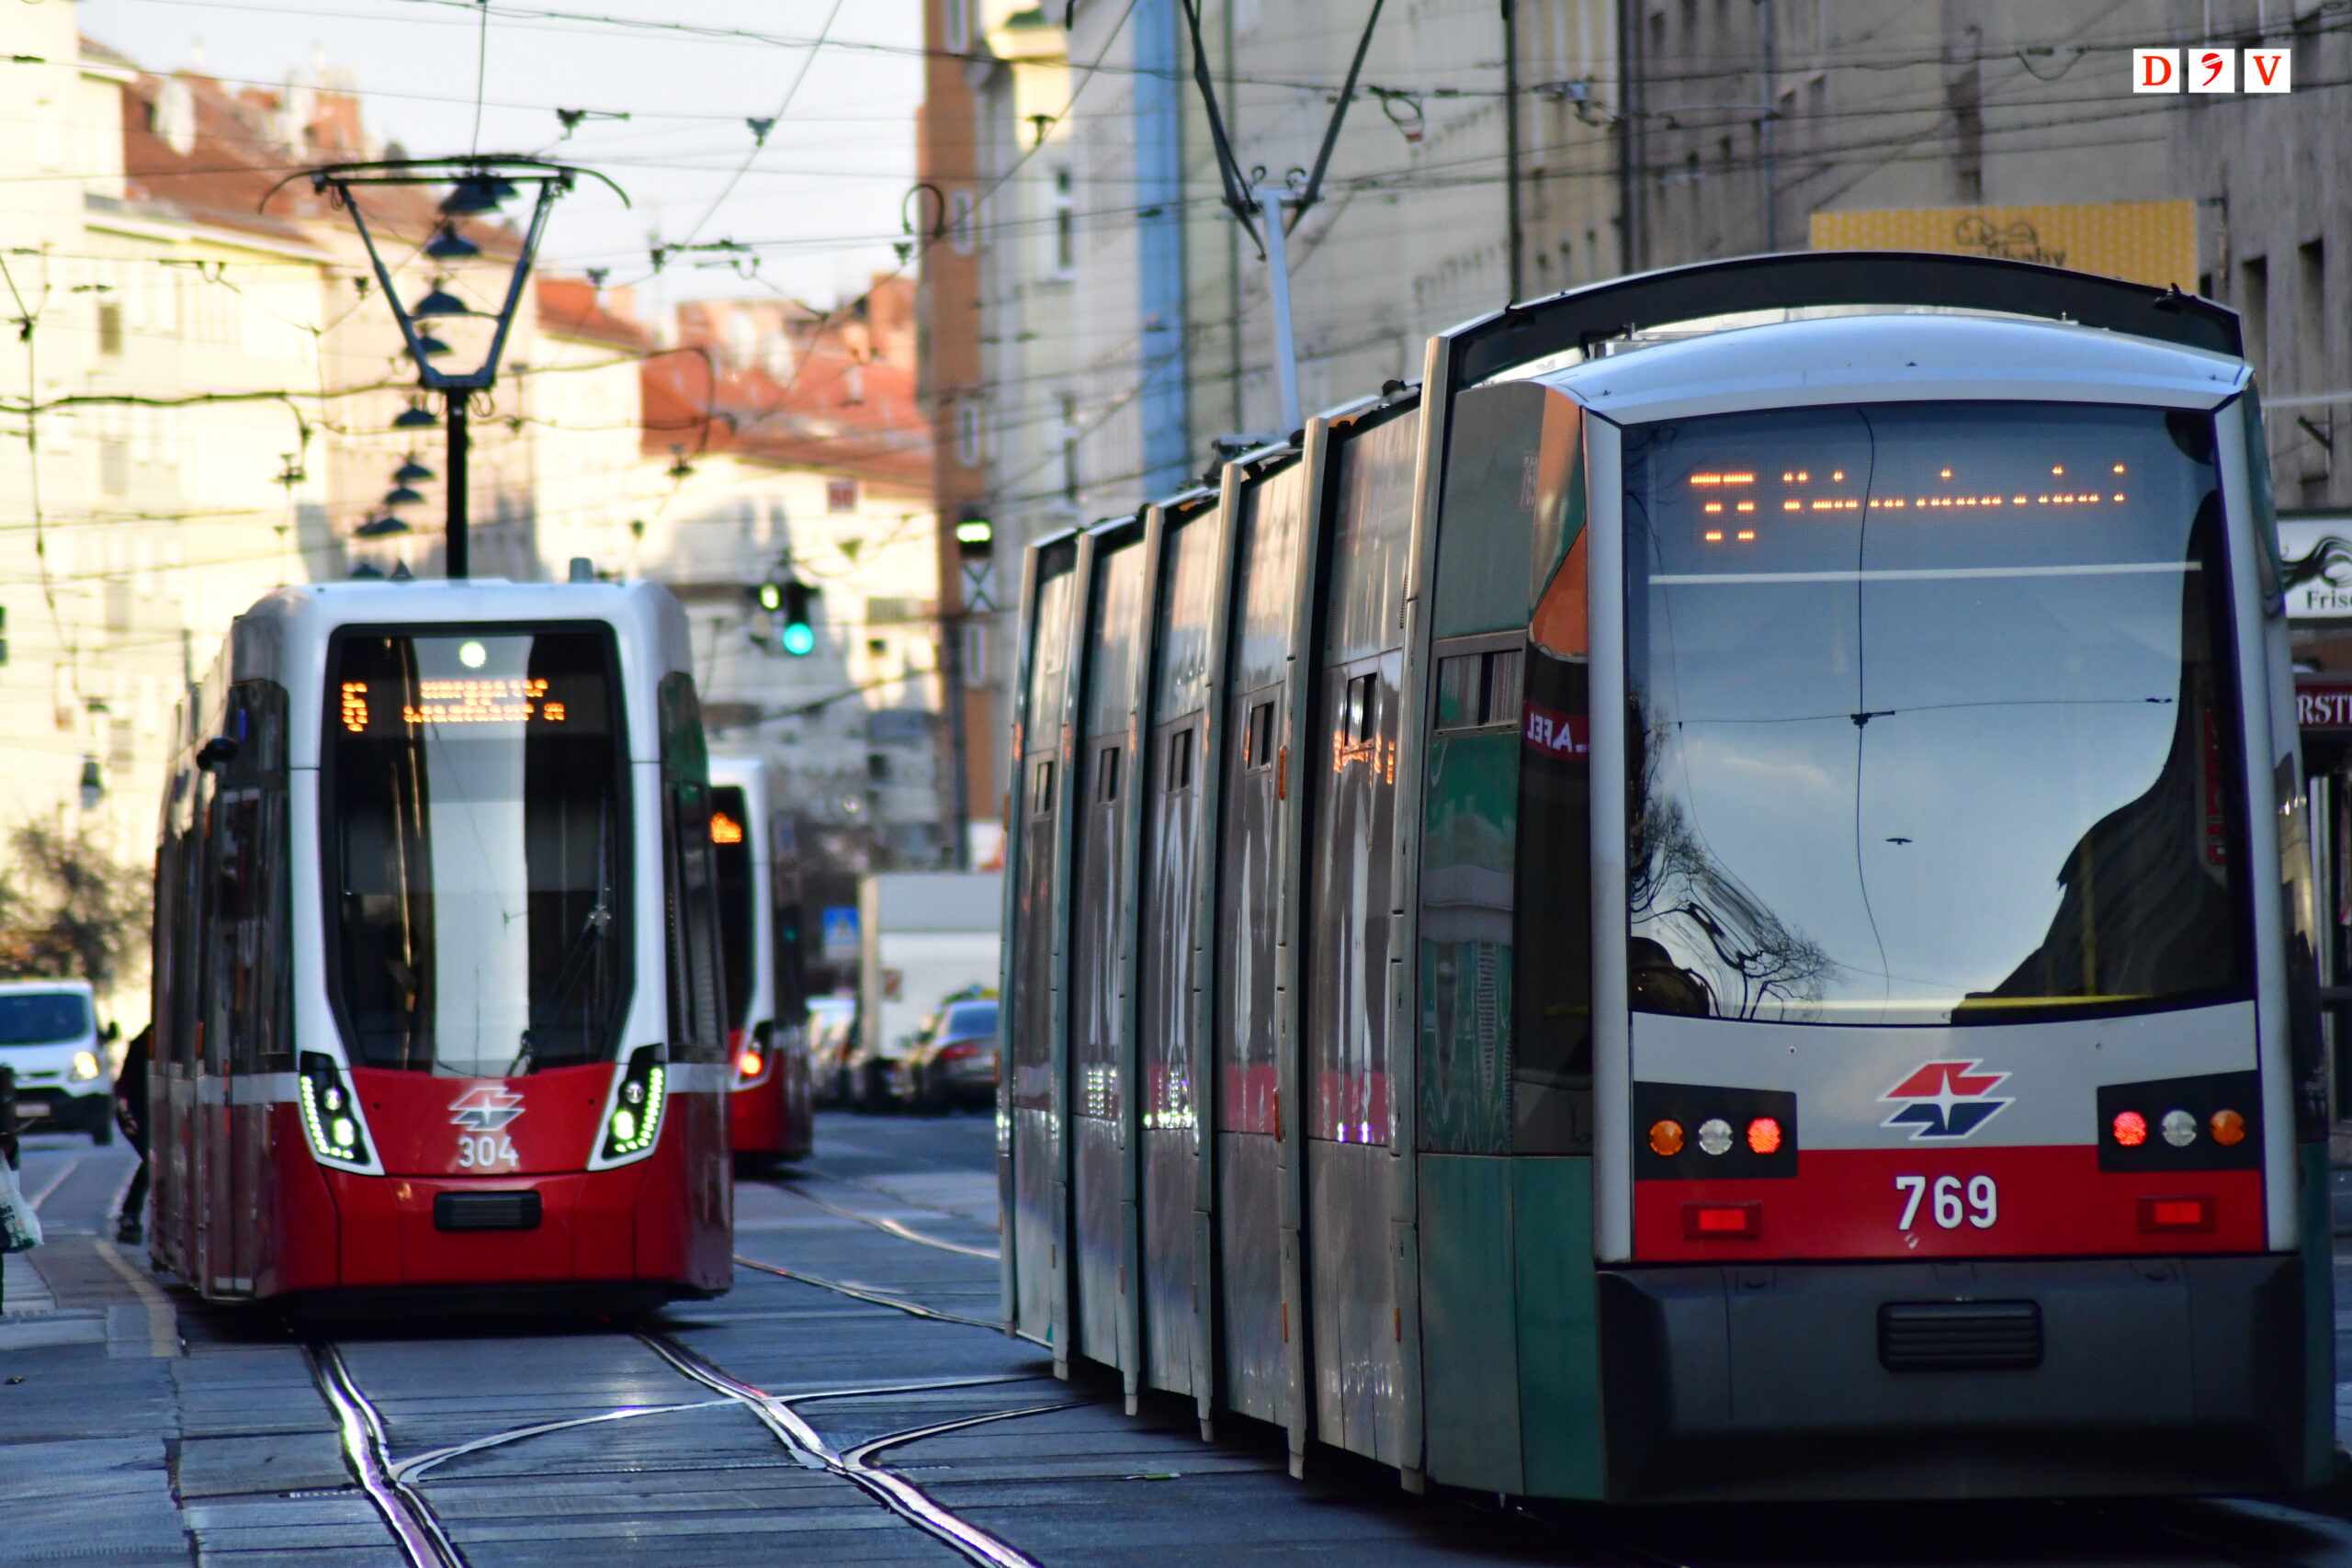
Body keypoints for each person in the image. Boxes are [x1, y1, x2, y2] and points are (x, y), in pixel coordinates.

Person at [114, 1024, 151, 1246]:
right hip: (134, 1111)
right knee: (153, 1157)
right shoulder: (145, 1039)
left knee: (153, 1158)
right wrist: (129, 1117)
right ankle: (130, 1214)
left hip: (143, 1109)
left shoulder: (149, 1035)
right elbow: (125, 1087)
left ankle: (130, 1214)